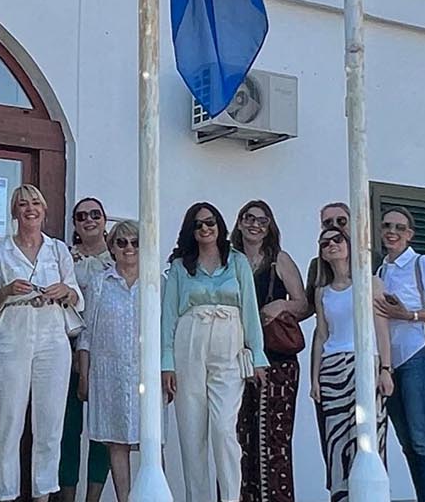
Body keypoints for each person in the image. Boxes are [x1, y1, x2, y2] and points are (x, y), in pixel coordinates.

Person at [0, 184, 83, 502]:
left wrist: (65, 291)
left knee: (50, 423)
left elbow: (76, 296)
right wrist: (7, 290)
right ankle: (5, 494)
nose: (30, 209)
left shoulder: (58, 250)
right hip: (12, 335)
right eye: (23, 204)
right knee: (6, 422)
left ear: (44, 209)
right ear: (14, 211)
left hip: (52, 336)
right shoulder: (0, 251)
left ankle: (43, 494)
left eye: (35, 203)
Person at [160, 202, 266, 502]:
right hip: (189, 343)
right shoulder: (180, 266)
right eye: (198, 225)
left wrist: (258, 355)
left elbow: (250, 311)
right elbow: (168, 316)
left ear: (219, 225)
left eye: (210, 222)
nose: (205, 228)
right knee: (192, 434)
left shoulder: (237, 261)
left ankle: (231, 497)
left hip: (229, 345)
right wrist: (166, 362)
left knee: (223, 430)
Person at [232, 199, 309, 502]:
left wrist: (280, 305)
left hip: (277, 360)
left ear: (269, 227)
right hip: (238, 357)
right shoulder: (230, 259)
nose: (255, 225)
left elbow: (303, 304)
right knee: (240, 438)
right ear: (240, 223)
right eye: (249, 218)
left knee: (274, 440)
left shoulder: (279, 260)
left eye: (262, 221)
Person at [310, 226, 392, 502]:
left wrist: (385, 369)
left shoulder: (370, 283)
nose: (331, 245)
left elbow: (381, 328)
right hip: (332, 367)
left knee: (370, 434)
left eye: (337, 239)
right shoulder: (322, 292)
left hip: (365, 363)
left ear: (348, 245)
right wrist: (314, 379)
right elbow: (322, 335)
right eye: (325, 243)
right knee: (336, 440)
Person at [374, 208, 425, 502]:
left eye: (399, 227)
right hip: (390, 364)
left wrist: (409, 315)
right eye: (387, 226)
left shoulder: (422, 263)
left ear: (409, 234)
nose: (392, 231)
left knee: (422, 439)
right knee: (407, 442)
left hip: (417, 356)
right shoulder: (380, 271)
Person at [77, 219, 140, 502]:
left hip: (144, 375)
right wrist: (84, 375)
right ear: (112, 247)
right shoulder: (100, 283)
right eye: (122, 242)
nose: (129, 248)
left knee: (152, 442)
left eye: (135, 242)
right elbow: (86, 333)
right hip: (108, 375)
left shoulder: (157, 283)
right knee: (116, 443)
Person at [59, 197, 112, 502]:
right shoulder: (64, 257)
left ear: (104, 220)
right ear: (74, 224)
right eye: (81, 216)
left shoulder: (119, 255)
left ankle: (93, 498)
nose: (89, 219)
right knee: (67, 428)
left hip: (107, 350)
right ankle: (67, 497)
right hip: (67, 347)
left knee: (103, 429)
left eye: (95, 214)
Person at [303, 202, 351, 312]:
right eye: (328, 223)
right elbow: (310, 306)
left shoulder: (372, 259)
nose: (335, 225)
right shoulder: (317, 265)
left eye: (341, 221)